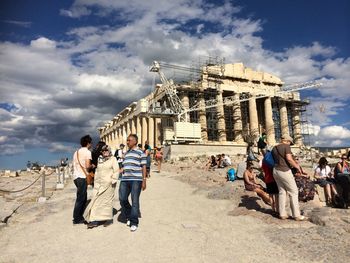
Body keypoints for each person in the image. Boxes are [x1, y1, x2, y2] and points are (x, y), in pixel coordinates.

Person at [272, 135, 306, 221]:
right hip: (284, 171)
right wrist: (297, 167)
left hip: (275, 170)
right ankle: (296, 215)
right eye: (290, 143)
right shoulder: (286, 146)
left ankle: (282, 214)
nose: (290, 145)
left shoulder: (274, 148)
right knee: (293, 192)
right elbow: (289, 159)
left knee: (282, 192)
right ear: (287, 141)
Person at [84, 145, 119, 228]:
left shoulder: (113, 159)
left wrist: (112, 180)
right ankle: (94, 220)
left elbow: (116, 170)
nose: (104, 152)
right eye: (103, 151)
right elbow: (97, 171)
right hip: (98, 185)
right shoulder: (100, 159)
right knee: (95, 202)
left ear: (109, 151)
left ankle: (108, 219)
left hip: (109, 185)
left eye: (106, 150)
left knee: (107, 203)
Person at [119, 134, 147, 232]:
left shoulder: (140, 152)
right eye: (127, 140)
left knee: (134, 201)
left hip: (136, 180)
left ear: (135, 141)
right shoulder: (126, 153)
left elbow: (144, 167)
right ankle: (130, 215)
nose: (127, 142)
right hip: (125, 179)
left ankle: (134, 222)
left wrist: (144, 180)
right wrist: (119, 170)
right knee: (122, 199)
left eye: (129, 140)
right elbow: (125, 166)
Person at [72, 135, 93, 225]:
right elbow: (88, 166)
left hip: (76, 177)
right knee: (81, 198)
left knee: (82, 196)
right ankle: (77, 218)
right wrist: (92, 166)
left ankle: (79, 216)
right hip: (82, 176)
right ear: (88, 143)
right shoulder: (87, 152)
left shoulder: (76, 152)